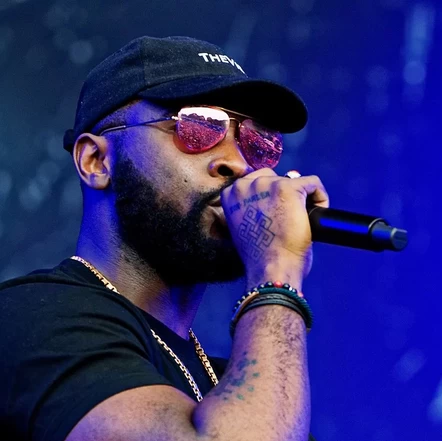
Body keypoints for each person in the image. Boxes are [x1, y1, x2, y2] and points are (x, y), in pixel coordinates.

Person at [0, 36, 328, 441]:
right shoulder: (30, 318)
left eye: (258, 142)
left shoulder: (236, 390)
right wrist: (277, 271)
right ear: (96, 161)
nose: (239, 163)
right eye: (198, 126)